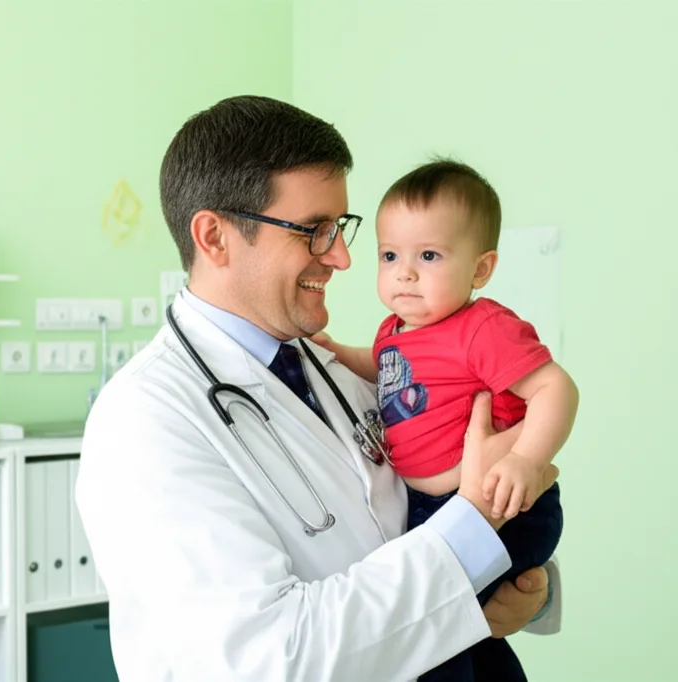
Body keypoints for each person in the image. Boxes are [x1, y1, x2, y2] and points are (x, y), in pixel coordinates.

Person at [75, 95, 562, 682]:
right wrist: (474, 527)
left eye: (340, 227)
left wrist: (526, 589)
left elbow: (412, 524)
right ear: (215, 237)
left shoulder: (346, 367)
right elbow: (270, 660)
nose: (342, 257)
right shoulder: (144, 422)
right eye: (314, 230)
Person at [312, 159, 577, 681]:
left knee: (435, 636)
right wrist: (340, 352)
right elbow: (385, 366)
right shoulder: (396, 328)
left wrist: (526, 459)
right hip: (435, 509)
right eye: (390, 255)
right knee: (449, 632)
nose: (404, 272)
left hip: (507, 505)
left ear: (481, 269)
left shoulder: (482, 328)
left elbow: (555, 388)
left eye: (428, 255)